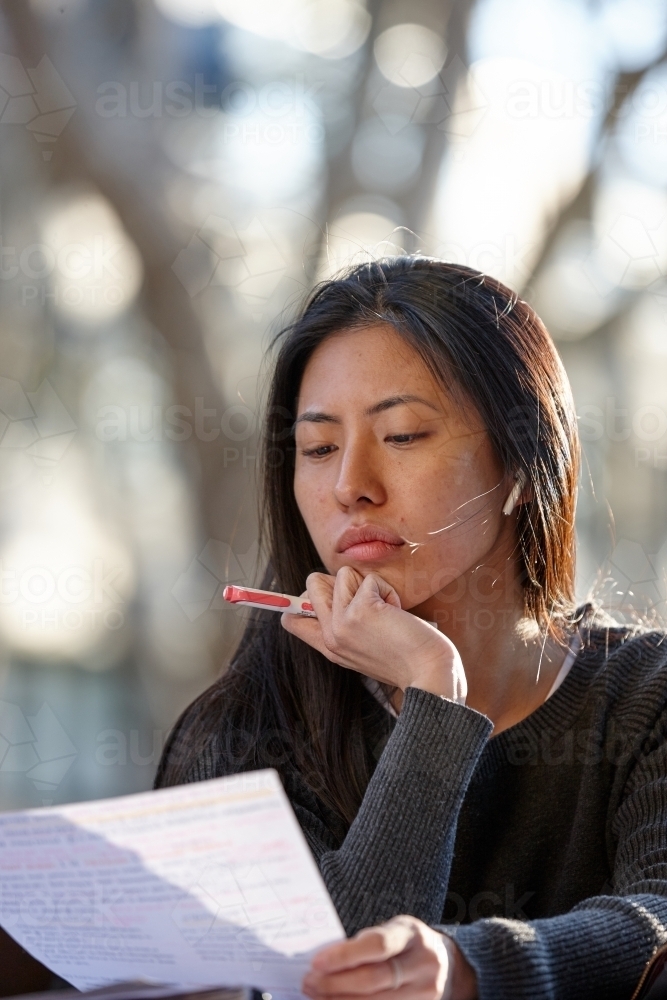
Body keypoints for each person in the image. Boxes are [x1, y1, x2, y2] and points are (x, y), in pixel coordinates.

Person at [155, 258, 667, 1000]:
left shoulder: (644, 697)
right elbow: (329, 978)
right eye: (319, 448)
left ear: (522, 466)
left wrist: (467, 969)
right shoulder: (248, 724)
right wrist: (435, 699)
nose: (349, 485)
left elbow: (656, 925)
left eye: (400, 435)